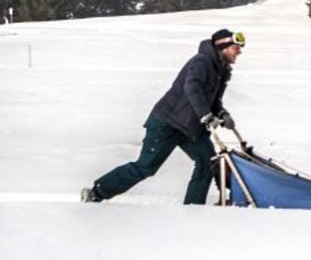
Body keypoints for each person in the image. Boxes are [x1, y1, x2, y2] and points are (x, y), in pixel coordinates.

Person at [82, 29, 245, 204]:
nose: (239, 52)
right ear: (223, 47)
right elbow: (192, 88)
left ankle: (193, 208)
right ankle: (96, 193)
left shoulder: (222, 70)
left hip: (190, 127)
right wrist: (206, 115)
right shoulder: (202, 62)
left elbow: (214, 101)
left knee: (208, 163)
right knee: (146, 167)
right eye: (236, 48)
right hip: (167, 123)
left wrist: (222, 114)